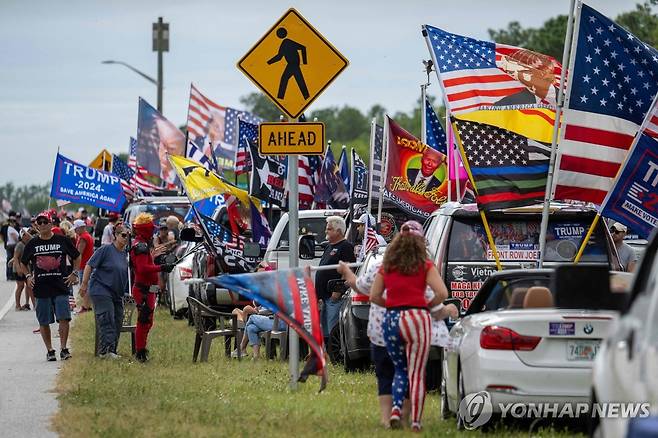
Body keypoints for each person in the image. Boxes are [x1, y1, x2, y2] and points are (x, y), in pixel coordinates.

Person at [338, 258, 457, 429]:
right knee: (413, 373)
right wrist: (444, 310)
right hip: (414, 326)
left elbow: (365, 289)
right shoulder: (422, 267)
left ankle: (389, 416)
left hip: (383, 328)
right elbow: (437, 299)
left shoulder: (382, 266)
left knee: (387, 374)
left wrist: (347, 271)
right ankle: (410, 419)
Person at [369, 220, 449, 431]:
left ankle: (395, 409)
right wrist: (425, 304)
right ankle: (415, 422)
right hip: (417, 318)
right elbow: (442, 293)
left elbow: (374, 295)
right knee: (416, 372)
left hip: (392, 319)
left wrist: (393, 303)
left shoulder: (387, 266)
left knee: (400, 369)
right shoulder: (425, 265)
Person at [20, 211, 80, 362]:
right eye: (39, 222)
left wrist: (74, 273)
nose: (42, 225)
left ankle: (64, 348)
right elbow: (23, 262)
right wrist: (27, 276)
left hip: (60, 286)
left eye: (45, 222)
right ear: (36, 225)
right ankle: (50, 350)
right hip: (41, 288)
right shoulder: (33, 243)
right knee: (43, 321)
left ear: (51, 224)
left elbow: (77, 256)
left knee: (63, 318)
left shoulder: (62, 240)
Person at [79, 223, 130, 359]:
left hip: (116, 293)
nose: (126, 238)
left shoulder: (125, 253)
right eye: (123, 235)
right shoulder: (105, 250)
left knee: (118, 320)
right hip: (101, 289)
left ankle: (112, 350)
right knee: (107, 318)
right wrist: (84, 284)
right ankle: (105, 351)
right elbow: (89, 265)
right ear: (115, 236)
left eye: (128, 236)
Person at [130, 213, 175, 362]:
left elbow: (143, 265)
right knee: (143, 321)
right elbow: (143, 269)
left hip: (147, 289)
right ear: (145, 231)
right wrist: (161, 267)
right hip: (144, 290)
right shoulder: (141, 246)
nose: (153, 232)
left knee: (147, 321)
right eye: (150, 229)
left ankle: (141, 349)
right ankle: (140, 353)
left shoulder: (141, 245)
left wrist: (153, 258)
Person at [314, 216, 356, 346]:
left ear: (339, 231)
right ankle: (326, 354)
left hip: (334, 296)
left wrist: (337, 293)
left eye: (329, 229)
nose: (326, 231)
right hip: (323, 297)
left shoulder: (346, 247)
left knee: (333, 329)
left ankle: (336, 354)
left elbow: (348, 271)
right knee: (325, 329)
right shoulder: (328, 247)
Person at [74, 219, 94, 312]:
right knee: (86, 285)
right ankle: (87, 305)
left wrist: (75, 266)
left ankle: (86, 307)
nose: (75, 231)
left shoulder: (83, 238)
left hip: (83, 265)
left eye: (76, 229)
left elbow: (79, 253)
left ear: (80, 228)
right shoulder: (88, 236)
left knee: (84, 286)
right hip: (87, 264)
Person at [12, 228, 35, 310]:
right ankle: (17, 305)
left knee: (30, 286)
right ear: (23, 236)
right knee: (20, 286)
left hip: (26, 268)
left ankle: (35, 305)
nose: (29, 235)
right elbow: (15, 257)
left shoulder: (28, 244)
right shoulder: (20, 245)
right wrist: (19, 269)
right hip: (18, 269)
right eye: (27, 233)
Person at [5, 215, 19, 281]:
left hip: (11, 245)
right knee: (12, 260)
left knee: (11, 260)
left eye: (14, 221)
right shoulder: (10, 229)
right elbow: (15, 238)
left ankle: (10, 275)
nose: (13, 223)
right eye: (11, 221)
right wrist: (19, 242)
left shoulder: (12, 228)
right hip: (12, 246)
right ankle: (10, 275)